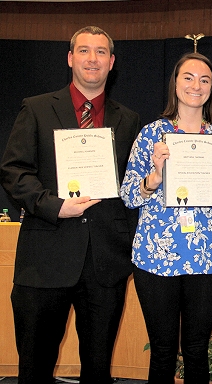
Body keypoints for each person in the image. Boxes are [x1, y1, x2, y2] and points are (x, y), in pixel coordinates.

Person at [0, 26, 141, 384]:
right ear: (70, 58)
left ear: (111, 62)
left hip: (105, 263)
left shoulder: (129, 120)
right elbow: (14, 171)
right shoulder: (36, 109)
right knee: (35, 367)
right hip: (45, 256)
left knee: (98, 369)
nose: (91, 59)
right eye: (83, 51)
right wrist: (53, 205)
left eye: (100, 52)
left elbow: (131, 187)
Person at [120, 52, 212, 384]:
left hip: (206, 259)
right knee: (163, 351)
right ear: (175, 83)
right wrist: (154, 178)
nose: (195, 85)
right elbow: (127, 195)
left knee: (197, 350)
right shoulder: (152, 134)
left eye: (204, 79)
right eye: (188, 77)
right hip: (156, 258)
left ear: (211, 89)